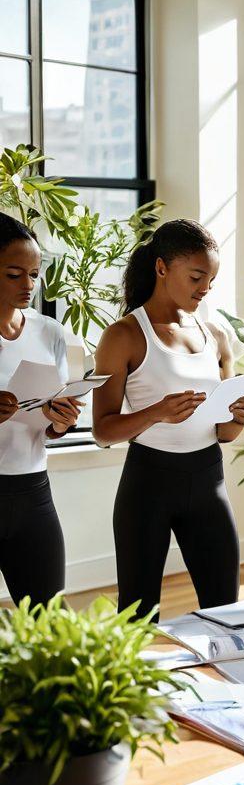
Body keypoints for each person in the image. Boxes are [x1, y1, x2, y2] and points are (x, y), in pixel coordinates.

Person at [93, 220, 244, 619]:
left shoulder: (216, 335)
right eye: (196, 277)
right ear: (162, 268)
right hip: (148, 485)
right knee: (137, 615)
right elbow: (102, 431)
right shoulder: (124, 335)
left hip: (207, 480)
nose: (204, 289)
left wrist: (240, 418)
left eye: (211, 281)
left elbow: (223, 433)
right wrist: (156, 413)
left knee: (225, 609)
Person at [0, 214, 80, 605]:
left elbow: (48, 422)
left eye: (34, 274)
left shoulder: (48, 331)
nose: (29, 285)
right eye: (15, 274)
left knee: (50, 619)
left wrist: (60, 422)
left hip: (32, 491)